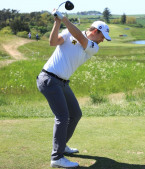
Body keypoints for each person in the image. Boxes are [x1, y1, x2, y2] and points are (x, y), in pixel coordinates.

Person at [36, 9, 111, 168]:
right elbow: (53, 42)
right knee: (62, 117)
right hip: (49, 78)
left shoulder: (92, 46)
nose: (102, 40)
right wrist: (57, 23)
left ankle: (61, 146)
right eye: (102, 37)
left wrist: (64, 19)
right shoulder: (70, 32)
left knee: (75, 114)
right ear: (96, 31)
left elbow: (79, 37)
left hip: (62, 82)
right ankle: (57, 157)